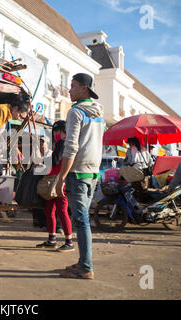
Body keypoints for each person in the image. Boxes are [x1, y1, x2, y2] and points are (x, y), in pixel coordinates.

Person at [55, 73, 105, 280]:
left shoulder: (75, 111)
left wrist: (61, 177)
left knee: (82, 220)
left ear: (84, 88)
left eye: (73, 86)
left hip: (78, 172)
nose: (69, 90)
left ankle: (86, 266)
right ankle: (83, 262)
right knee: (82, 219)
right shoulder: (99, 112)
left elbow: (71, 147)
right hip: (93, 171)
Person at [36, 120, 75, 252]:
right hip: (55, 182)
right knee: (49, 210)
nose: (55, 134)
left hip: (58, 182)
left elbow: (54, 160)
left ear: (63, 131)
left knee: (62, 211)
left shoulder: (63, 143)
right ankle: (52, 239)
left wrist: (43, 162)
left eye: (56, 131)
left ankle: (69, 241)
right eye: (54, 132)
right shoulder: (66, 143)